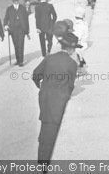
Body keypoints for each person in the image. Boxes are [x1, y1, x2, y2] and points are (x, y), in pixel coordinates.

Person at [32, 32, 78, 164]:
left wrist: (42, 87)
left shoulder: (49, 58)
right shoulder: (72, 64)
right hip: (58, 101)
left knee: (45, 124)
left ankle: (41, 154)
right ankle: (43, 164)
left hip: (45, 97)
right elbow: (70, 86)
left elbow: (35, 75)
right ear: (70, 48)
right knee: (52, 132)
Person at [4, 0, 30, 66]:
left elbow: (26, 20)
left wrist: (27, 31)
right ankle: (18, 60)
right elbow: (6, 18)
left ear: (18, 1)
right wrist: (5, 25)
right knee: (16, 45)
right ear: (13, 1)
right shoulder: (9, 9)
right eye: (14, 1)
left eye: (17, 1)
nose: (16, 2)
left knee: (21, 45)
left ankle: (21, 61)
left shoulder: (23, 8)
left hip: (21, 30)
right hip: (13, 30)